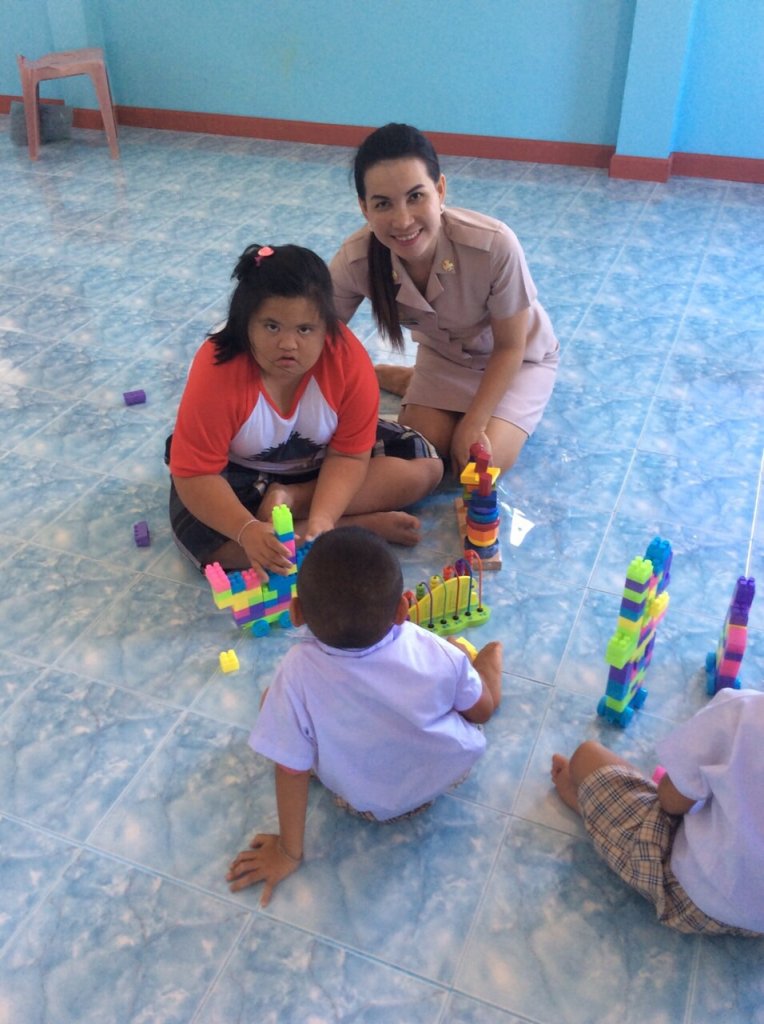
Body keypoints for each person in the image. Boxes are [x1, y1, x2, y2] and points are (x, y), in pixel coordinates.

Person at [226, 526, 503, 905]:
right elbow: (481, 711)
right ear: (402, 610)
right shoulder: (432, 649)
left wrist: (288, 852)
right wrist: (460, 667)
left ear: (296, 612)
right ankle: (488, 661)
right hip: (447, 772)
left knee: (271, 705)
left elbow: (290, 768)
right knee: (470, 680)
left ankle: (472, 670)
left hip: (369, 804)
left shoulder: (296, 673)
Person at [167, 243, 443, 578]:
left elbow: (348, 455)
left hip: (321, 466)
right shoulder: (218, 369)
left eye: (304, 329)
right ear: (246, 323)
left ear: (327, 327)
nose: (288, 344)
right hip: (242, 473)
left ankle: (300, 508)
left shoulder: (347, 361)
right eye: (271, 326)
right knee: (209, 542)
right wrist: (246, 529)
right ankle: (354, 526)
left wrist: (324, 517)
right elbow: (196, 473)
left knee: (425, 466)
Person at [329, 122, 559, 477]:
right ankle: (405, 379)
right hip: (444, 358)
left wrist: (474, 422)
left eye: (415, 196)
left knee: (479, 465)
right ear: (364, 208)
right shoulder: (357, 258)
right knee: (424, 449)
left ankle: (409, 380)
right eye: (383, 204)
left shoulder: (493, 244)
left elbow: (511, 347)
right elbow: (317, 330)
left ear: (440, 190)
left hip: (518, 360)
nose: (403, 220)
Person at [551, 687, 764, 935]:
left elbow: (670, 801)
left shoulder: (742, 713)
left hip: (693, 896)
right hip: (756, 923)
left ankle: (586, 805)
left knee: (587, 756)